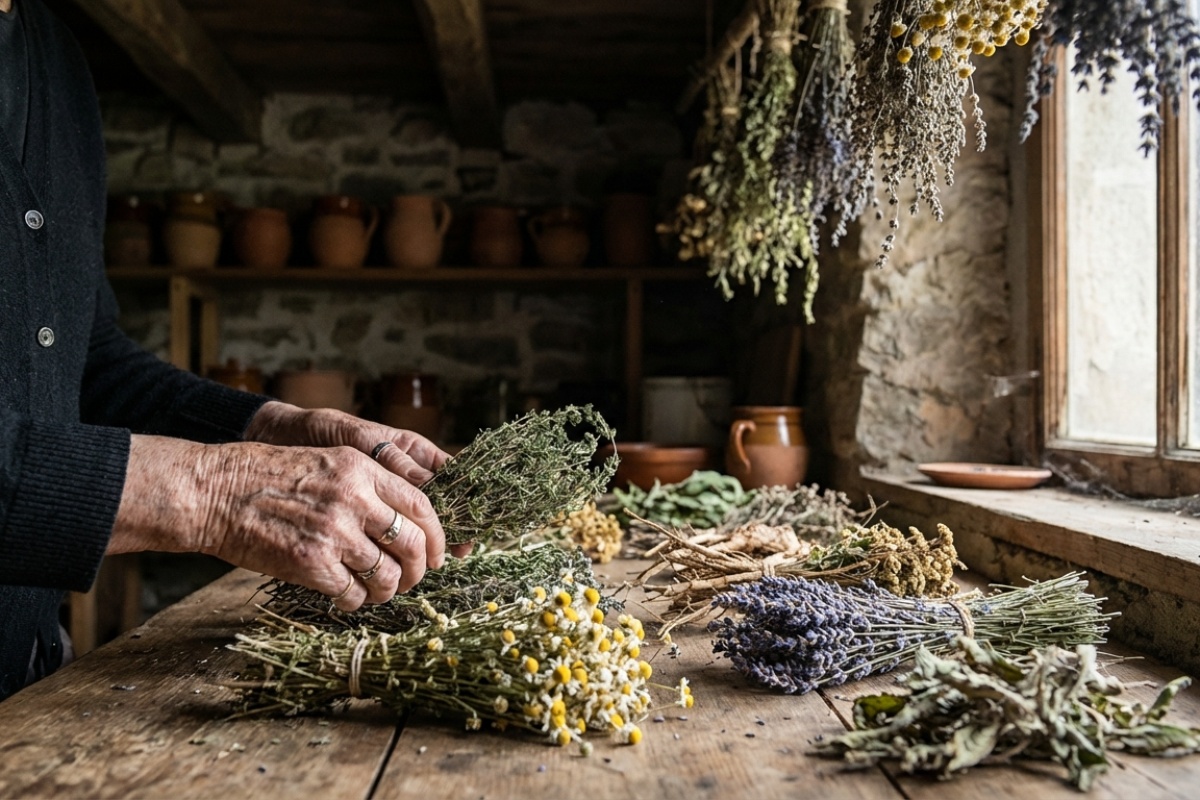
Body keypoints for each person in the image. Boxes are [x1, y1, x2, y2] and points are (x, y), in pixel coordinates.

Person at [0, 0, 463, 702]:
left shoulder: (53, 53)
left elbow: (84, 360)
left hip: (28, 672)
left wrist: (273, 429)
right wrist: (214, 491)